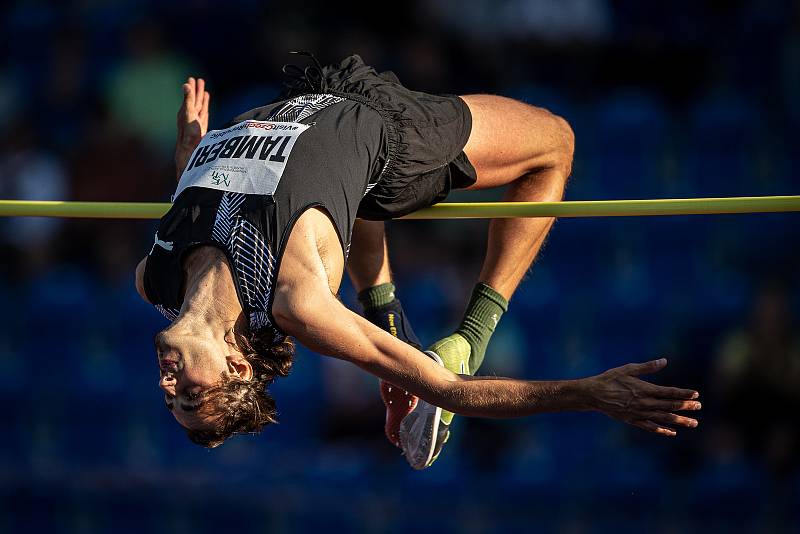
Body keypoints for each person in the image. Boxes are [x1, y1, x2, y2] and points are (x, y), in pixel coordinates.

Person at [134, 54, 701, 470]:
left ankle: (387, 316)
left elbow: (221, 207)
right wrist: (588, 394)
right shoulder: (293, 299)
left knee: (342, 200)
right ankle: (474, 335)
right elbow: (447, 391)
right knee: (555, 143)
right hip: (394, 133)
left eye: (171, 399)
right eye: (188, 396)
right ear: (236, 365)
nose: (168, 386)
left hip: (321, 95)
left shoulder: (155, 276)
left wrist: (190, 163)